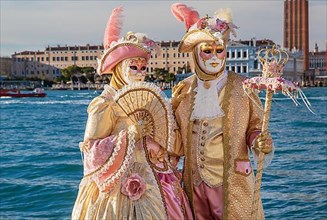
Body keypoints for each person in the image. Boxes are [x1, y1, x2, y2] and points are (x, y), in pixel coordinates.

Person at [72, 6, 193, 220]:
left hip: (154, 176)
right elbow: (91, 151)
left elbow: (165, 137)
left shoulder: (148, 100)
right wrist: (130, 135)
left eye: (143, 67)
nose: (140, 72)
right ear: (119, 68)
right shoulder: (104, 104)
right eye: (133, 67)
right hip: (115, 185)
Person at [170, 3, 274, 220]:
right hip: (194, 183)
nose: (215, 57)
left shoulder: (243, 86)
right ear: (197, 54)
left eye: (219, 50)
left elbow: (255, 127)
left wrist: (258, 141)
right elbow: (175, 136)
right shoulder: (184, 90)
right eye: (207, 52)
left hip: (233, 180)